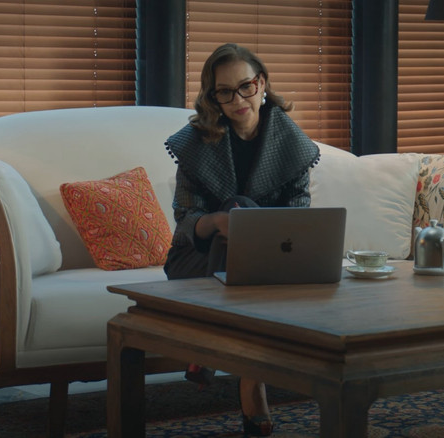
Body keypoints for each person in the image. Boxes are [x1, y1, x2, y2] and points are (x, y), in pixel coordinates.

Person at [163, 43, 320, 437]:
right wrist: (219, 222)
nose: (238, 100)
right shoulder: (195, 143)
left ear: (261, 83)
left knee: (245, 219)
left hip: (269, 262)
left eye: (246, 87)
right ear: (213, 96)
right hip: (196, 260)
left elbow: (298, 217)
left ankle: (214, 351)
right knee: (237, 211)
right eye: (225, 92)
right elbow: (184, 223)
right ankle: (253, 384)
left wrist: (254, 232)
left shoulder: (291, 143)